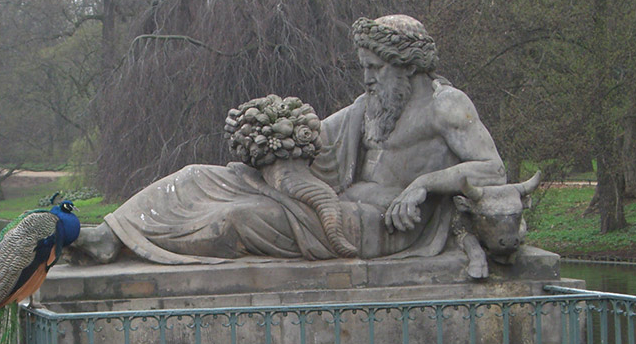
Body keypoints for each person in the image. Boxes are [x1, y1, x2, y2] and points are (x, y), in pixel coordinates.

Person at [73, 14, 506, 265]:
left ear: (407, 66)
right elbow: (314, 138)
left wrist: (423, 185)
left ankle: (137, 247)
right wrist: (265, 133)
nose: (368, 78)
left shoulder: (446, 106)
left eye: (376, 68)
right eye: (364, 67)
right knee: (198, 176)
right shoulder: (370, 105)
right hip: (334, 200)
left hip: (379, 226)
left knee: (239, 218)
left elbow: (493, 169)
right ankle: (112, 234)